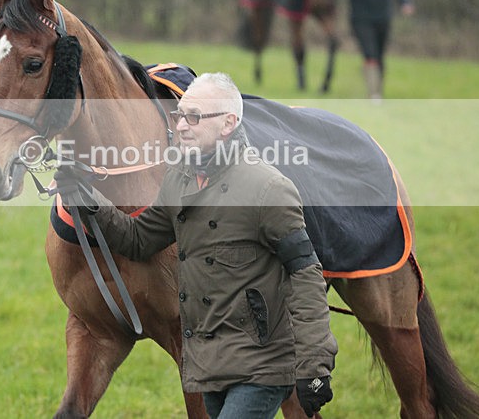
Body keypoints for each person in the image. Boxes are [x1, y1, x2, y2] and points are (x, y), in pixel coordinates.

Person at [54, 73, 338, 419]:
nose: (182, 127)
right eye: (180, 115)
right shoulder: (180, 179)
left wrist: (315, 365)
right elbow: (138, 239)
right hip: (209, 366)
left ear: (228, 124)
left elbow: (305, 275)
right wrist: (88, 199)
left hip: (260, 367)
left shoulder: (268, 189)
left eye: (195, 117)